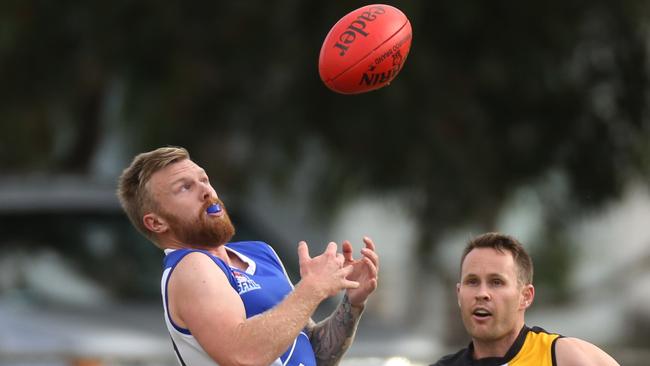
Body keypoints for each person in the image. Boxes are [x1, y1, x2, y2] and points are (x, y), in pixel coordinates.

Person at [116, 146, 379, 366]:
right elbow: (244, 354)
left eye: (204, 180)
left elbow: (312, 354)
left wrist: (352, 302)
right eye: (184, 188)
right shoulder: (190, 266)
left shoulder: (260, 253)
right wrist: (313, 288)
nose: (206, 191)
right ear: (156, 223)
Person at [431, 232, 619, 366]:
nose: (482, 293)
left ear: (525, 296)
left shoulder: (562, 357)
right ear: (458, 294)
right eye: (472, 282)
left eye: (496, 282)